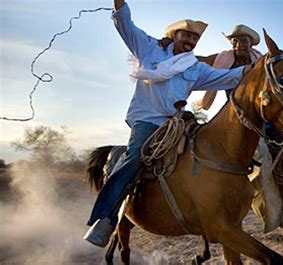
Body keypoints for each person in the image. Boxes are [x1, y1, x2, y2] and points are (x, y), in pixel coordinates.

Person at [83, 0, 251, 247]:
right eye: (187, 35)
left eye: (195, 39)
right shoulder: (149, 48)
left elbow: (226, 77)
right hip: (148, 121)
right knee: (136, 157)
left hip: (177, 122)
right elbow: (124, 24)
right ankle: (105, 220)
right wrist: (119, 4)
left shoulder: (193, 67)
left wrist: (259, 69)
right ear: (174, 35)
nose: (191, 42)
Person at [194, 25, 283, 230]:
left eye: (243, 40)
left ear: (251, 44)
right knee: (261, 154)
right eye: (235, 40)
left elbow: (280, 66)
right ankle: (270, 209)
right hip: (235, 116)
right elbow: (198, 60)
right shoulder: (222, 59)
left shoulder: (261, 60)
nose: (239, 44)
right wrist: (177, 54)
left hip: (264, 113)